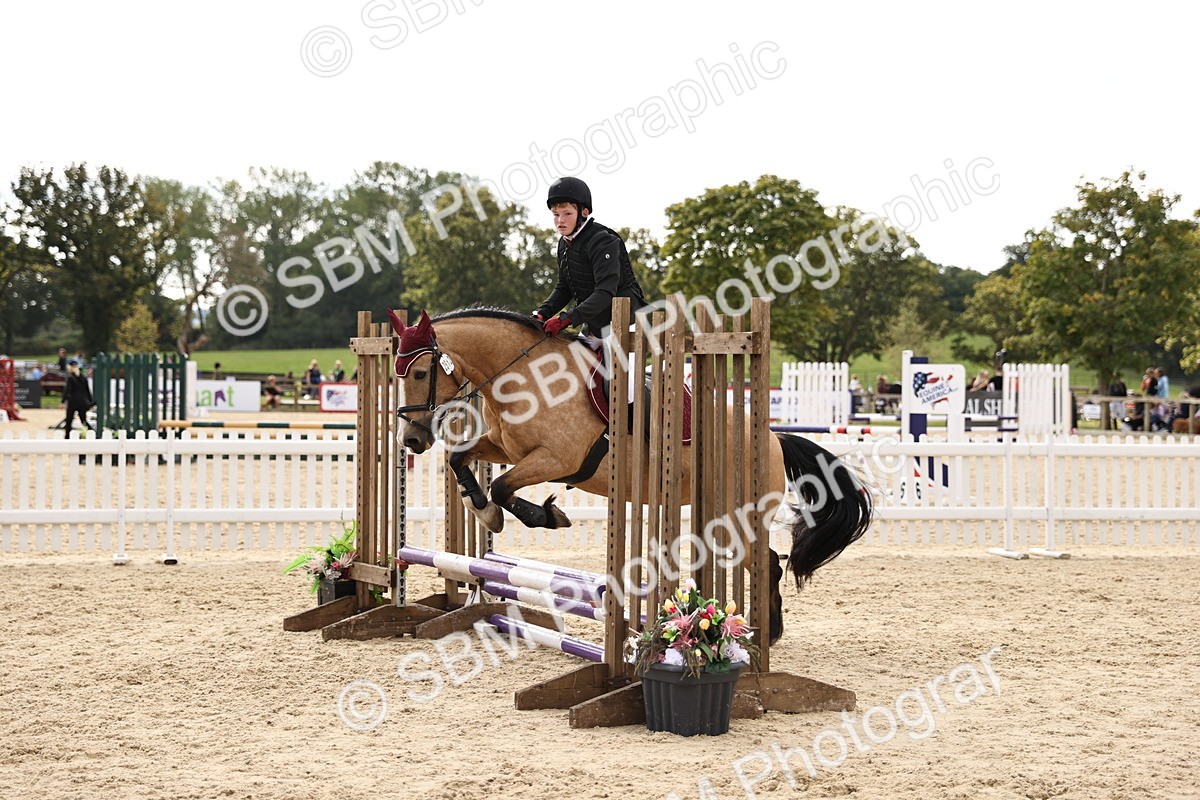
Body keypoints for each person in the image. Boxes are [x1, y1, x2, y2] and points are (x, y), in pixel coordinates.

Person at [533, 177, 647, 340]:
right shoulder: (563, 244)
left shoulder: (603, 241)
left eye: (567, 214)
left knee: (614, 366)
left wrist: (567, 319)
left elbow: (605, 292)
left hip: (625, 323)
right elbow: (564, 287)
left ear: (584, 213)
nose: (560, 221)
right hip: (595, 325)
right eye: (556, 214)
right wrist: (543, 312)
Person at [61, 360, 94, 439]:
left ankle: (67, 436)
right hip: (83, 402)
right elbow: (87, 391)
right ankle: (91, 431)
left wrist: (63, 401)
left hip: (73, 401)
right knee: (83, 419)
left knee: (69, 419)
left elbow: (67, 391)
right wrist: (90, 401)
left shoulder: (70, 378)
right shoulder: (83, 378)